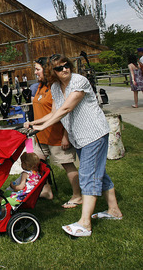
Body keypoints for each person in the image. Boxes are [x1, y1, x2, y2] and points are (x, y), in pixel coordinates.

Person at [27, 54, 122, 237]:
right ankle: (114, 210)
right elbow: (54, 111)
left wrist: (44, 126)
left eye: (66, 65)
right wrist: (35, 124)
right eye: (59, 68)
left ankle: (85, 223)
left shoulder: (79, 81)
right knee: (98, 173)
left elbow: (66, 109)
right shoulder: (55, 87)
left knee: (88, 174)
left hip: (93, 134)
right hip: (79, 137)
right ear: (52, 72)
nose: (65, 69)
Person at [28, 57, 82, 208]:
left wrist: (66, 136)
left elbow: (62, 112)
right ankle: (46, 190)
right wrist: (33, 123)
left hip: (56, 135)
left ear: (46, 70)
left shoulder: (56, 88)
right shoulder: (39, 87)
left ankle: (77, 195)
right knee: (36, 163)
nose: (35, 72)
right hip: (41, 135)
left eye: (38, 69)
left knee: (67, 165)